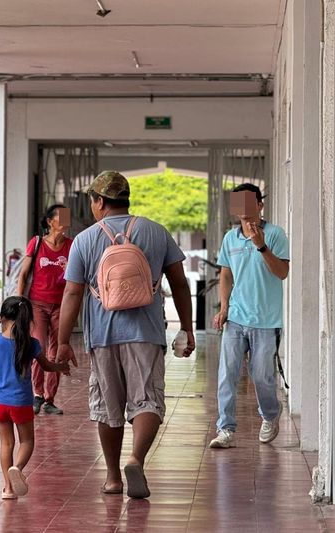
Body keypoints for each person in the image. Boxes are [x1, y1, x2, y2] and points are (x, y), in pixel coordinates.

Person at [56, 171, 195, 499]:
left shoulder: (86, 239)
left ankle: (113, 476)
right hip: (146, 331)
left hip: (102, 334)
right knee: (147, 398)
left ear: (99, 201)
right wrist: (187, 328)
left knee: (108, 403)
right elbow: (179, 283)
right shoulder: (156, 232)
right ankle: (136, 458)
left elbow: (73, 294)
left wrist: (62, 341)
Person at [209, 183, 290, 449]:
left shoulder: (276, 234)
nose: (243, 209)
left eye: (248, 202)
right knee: (227, 374)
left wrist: (261, 246)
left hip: (266, 320)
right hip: (236, 318)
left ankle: (269, 414)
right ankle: (226, 429)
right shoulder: (230, 238)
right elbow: (226, 274)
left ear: (259, 205)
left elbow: (282, 273)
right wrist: (224, 308)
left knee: (261, 375)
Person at [0, 296, 70, 500]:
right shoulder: (31, 344)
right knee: (27, 441)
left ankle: (8, 489)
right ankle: (18, 467)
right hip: (21, 402)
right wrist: (61, 366)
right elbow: (47, 366)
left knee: (6, 444)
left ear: (3, 317)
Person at [16, 204, 73, 416]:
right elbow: (23, 275)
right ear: (50, 221)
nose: (66, 221)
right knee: (38, 346)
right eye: (61, 217)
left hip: (62, 305)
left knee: (57, 350)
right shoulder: (37, 242)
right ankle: (37, 394)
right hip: (37, 303)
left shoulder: (71, 245)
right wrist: (20, 302)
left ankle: (50, 399)